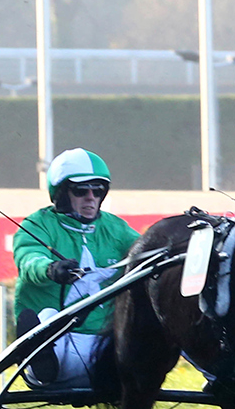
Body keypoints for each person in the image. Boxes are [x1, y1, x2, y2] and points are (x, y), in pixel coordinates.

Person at [13, 148, 141, 388]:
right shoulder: (37, 225)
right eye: (81, 191)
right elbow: (28, 259)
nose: (91, 197)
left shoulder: (116, 229)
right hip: (57, 343)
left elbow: (146, 251)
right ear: (61, 194)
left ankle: (216, 376)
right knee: (47, 317)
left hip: (106, 347)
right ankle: (39, 359)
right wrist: (50, 269)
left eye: (98, 190)